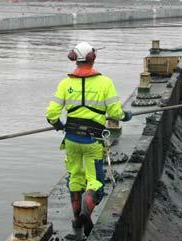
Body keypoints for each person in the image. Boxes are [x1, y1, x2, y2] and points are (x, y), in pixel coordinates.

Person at [46, 42, 132, 238]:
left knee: (75, 177)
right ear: (93, 59)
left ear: (75, 59)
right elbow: (115, 112)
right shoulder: (105, 83)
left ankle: (77, 218)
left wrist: (58, 125)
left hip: (71, 139)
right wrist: (126, 115)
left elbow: (51, 113)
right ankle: (87, 210)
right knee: (95, 182)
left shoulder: (65, 83)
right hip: (93, 141)